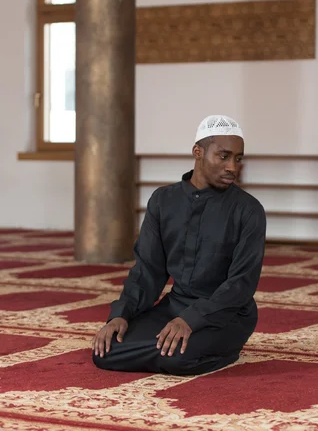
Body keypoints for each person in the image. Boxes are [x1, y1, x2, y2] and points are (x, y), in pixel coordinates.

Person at [92, 114, 266, 376]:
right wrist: (121, 315)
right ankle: (172, 348)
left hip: (228, 314)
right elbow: (147, 269)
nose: (232, 166)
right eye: (223, 156)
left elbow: (241, 284)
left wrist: (191, 320)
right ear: (198, 152)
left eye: (238, 158)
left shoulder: (249, 210)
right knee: (106, 351)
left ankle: (225, 349)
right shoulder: (163, 201)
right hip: (176, 305)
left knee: (178, 357)